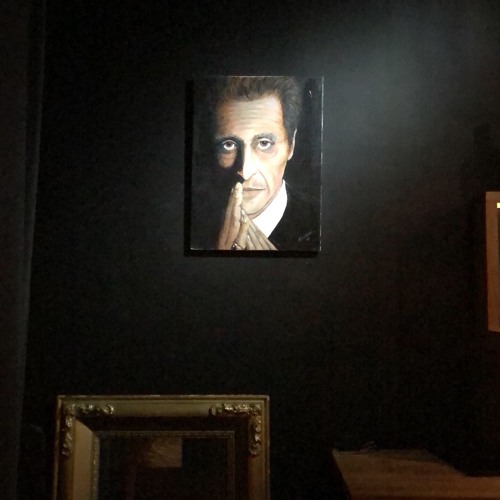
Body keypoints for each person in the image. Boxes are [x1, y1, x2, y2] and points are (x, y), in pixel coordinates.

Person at [191, 76, 320, 252]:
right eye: (229, 145)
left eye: (264, 143)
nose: (245, 171)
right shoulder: (193, 223)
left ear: (291, 145)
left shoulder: (318, 222)